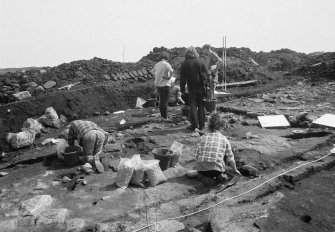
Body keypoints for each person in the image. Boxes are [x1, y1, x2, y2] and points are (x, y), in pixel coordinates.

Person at [195, 113, 240, 186]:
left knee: (199, 173)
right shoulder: (224, 139)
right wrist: (235, 170)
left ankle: (205, 178)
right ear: (222, 126)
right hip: (216, 169)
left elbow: (196, 156)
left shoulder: (202, 138)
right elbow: (230, 158)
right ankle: (219, 176)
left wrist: (199, 167)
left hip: (202, 169)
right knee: (224, 157)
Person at [180, 46, 207, 131]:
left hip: (192, 88)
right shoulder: (200, 62)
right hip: (201, 88)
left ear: (187, 54)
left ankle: (194, 126)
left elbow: (182, 78)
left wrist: (182, 90)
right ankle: (202, 126)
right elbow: (206, 74)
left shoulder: (185, 63)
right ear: (195, 53)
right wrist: (205, 86)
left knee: (193, 107)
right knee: (201, 106)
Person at [151, 52, 174, 120]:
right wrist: (169, 77)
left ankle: (162, 115)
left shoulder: (157, 64)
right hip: (166, 84)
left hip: (158, 85)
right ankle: (165, 117)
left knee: (161, 100)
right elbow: (171, 71)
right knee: (165, 101)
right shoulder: (166, 64)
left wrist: (157, 76)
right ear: (166, 58)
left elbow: (152, 72)